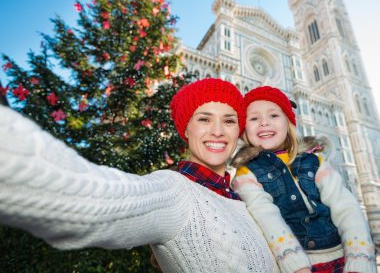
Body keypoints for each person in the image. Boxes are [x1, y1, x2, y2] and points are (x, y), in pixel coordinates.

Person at [0, 78, 312, 272]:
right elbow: (85, 198)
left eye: (229, 121)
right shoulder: (174, 191)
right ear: (185, 129)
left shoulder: (248, 200)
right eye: (204, 118)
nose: (218, 130)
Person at [231, 85, 376, 273]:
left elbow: (347, 208)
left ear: (288, 124)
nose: (264, 122)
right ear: (244, 130)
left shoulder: (315, 162)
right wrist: (296, 266)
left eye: (274, 115)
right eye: (254, 118)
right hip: (296, 266)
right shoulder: (246, 174)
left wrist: (360, 259)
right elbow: (266, 217)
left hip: (344, 260)